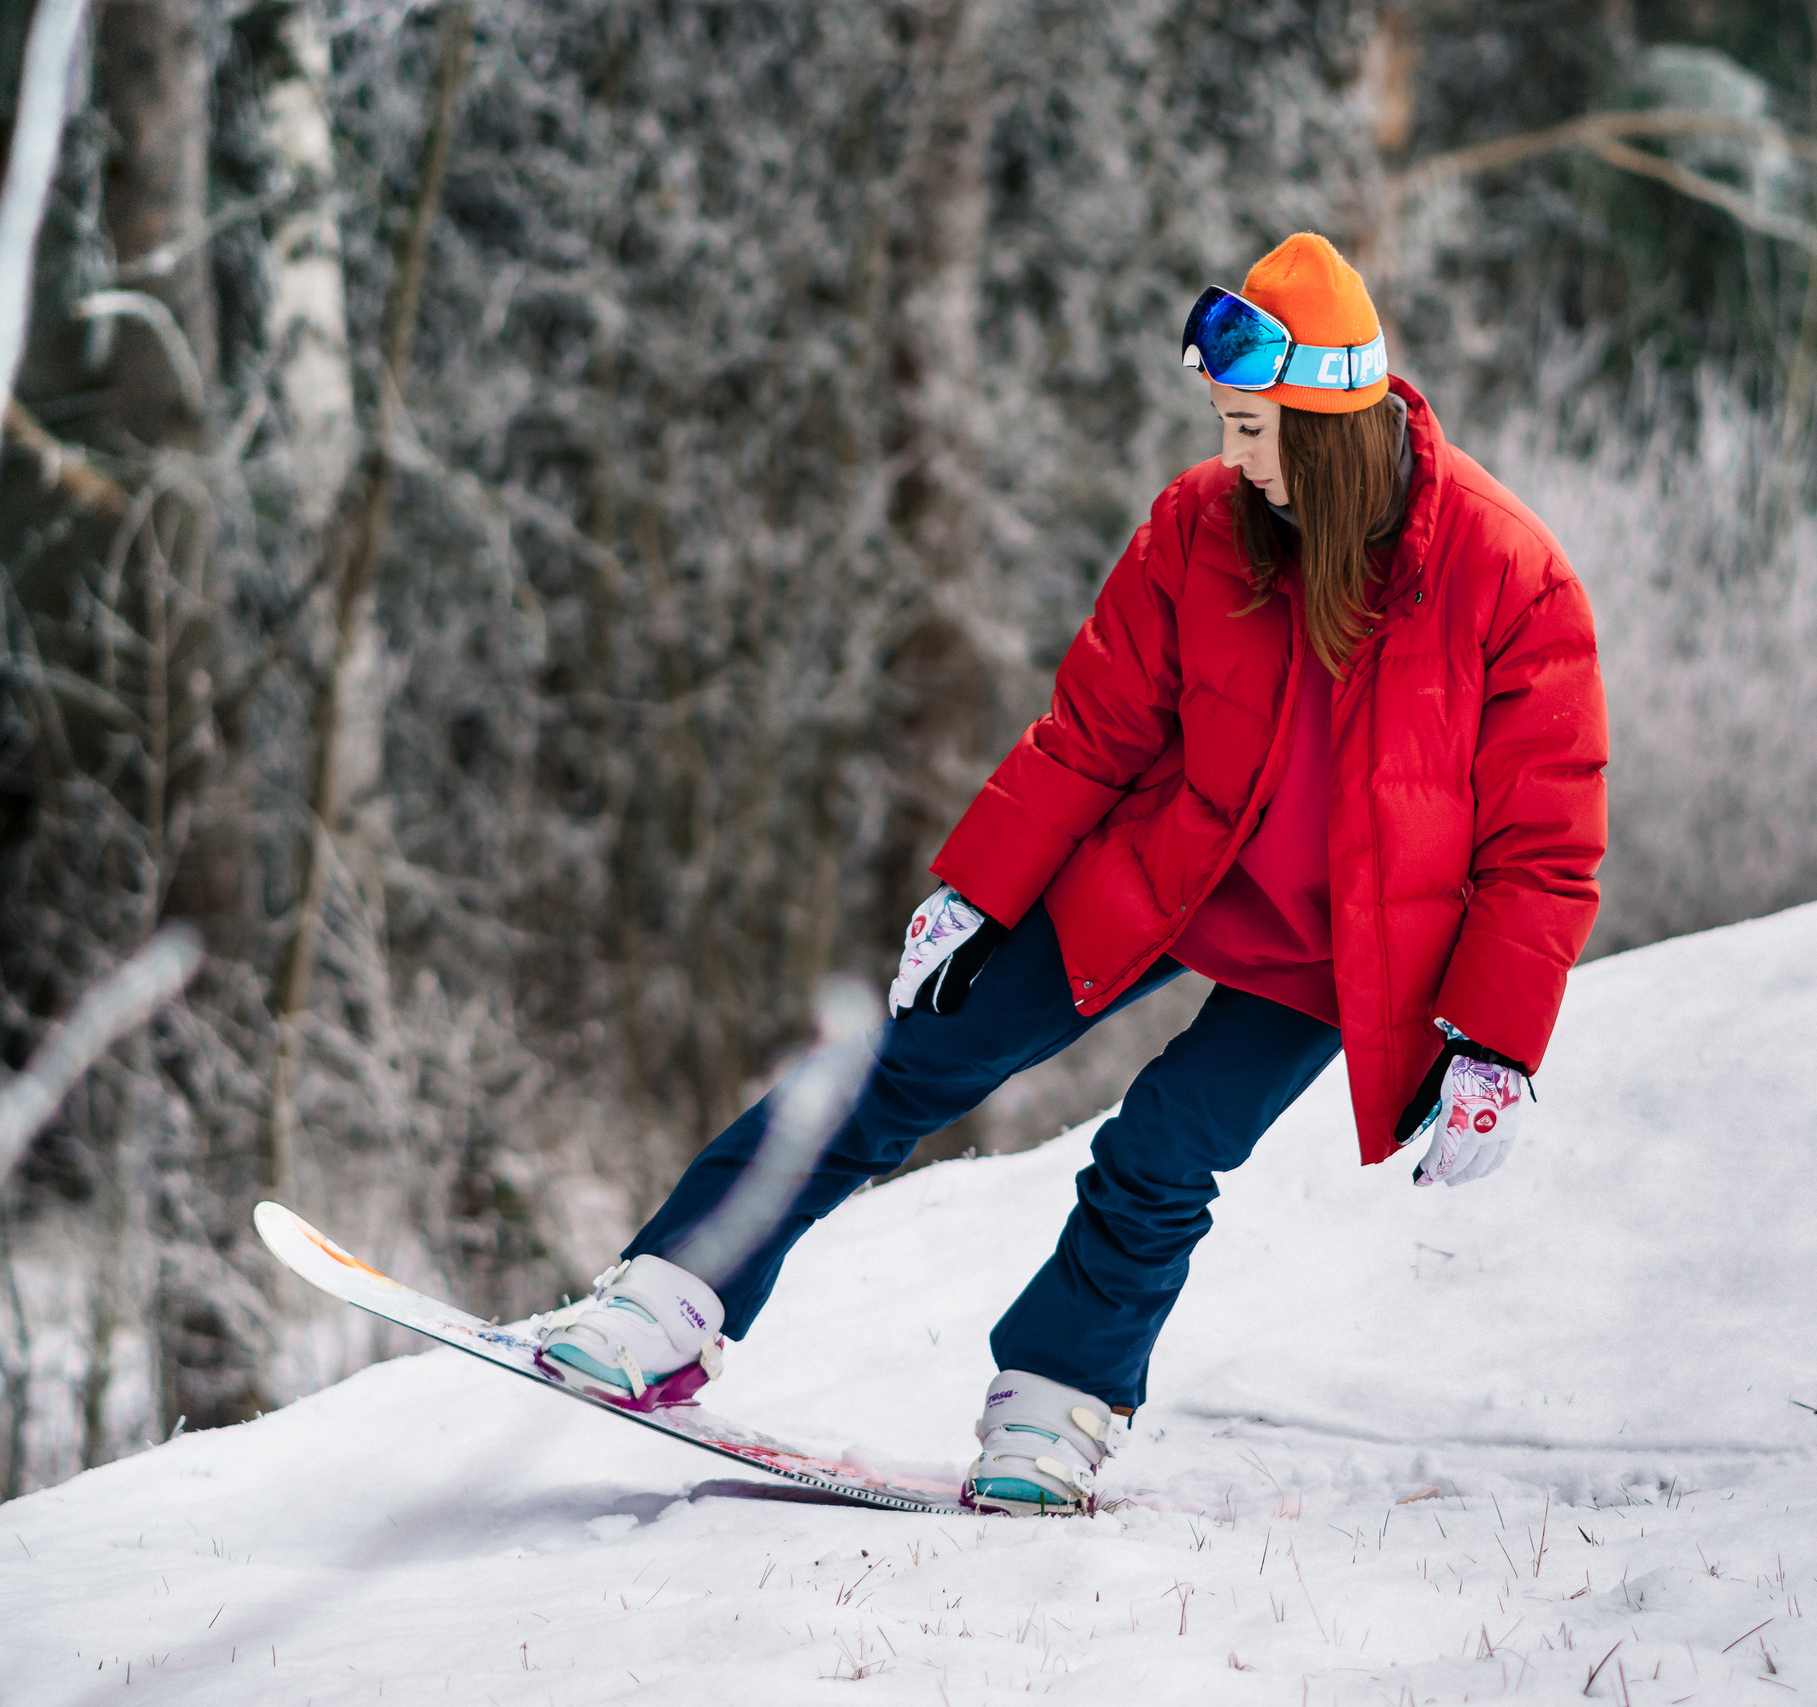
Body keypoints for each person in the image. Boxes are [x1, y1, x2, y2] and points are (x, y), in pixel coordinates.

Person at [535, 233, 1608, 1515]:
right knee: (915, 1059)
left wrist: (1492, 1045)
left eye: (1253, 430)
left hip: (1330, 954)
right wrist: (976, 892)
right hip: (1165, 869)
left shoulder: (1506, 575)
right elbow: (1092, 733)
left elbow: (1543, 846)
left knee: (1162, 1150)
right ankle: (668, 1298)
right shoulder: (1200, 526)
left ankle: (1053, 1406)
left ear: (1327, 428)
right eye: (1225, 427)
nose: (1233, 458)